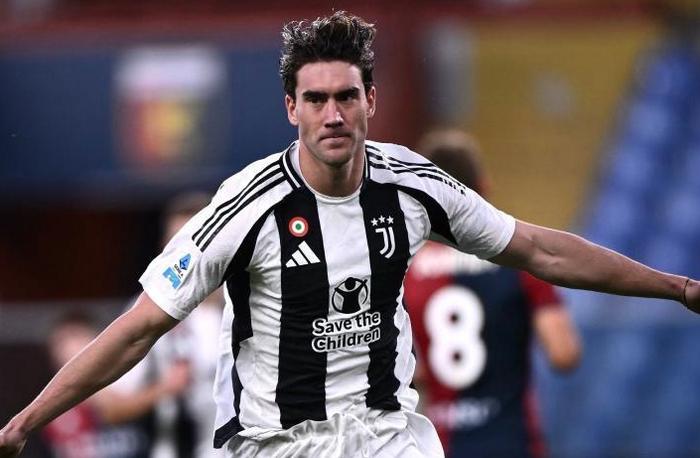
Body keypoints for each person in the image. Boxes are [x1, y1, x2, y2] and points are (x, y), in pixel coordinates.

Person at [1, 10, 698, 458]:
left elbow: (541, 249)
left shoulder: (414, 185)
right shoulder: (245, 205)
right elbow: (138, 328)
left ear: (370, 100)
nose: (332, 114)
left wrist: (675, 287)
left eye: (344, 96)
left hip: (388, 435)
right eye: (315, 99)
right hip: (278, 442)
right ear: (291, 108)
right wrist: (28, 421)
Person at [403, 130, 581, 457]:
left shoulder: (407, 273)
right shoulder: (520, 260)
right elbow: (563, 353)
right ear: (483, 188)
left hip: (442, 445)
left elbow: (412, 372)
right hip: (513, 440)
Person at [110, 192, 226, 458]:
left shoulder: (250, 304)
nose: (188, 255)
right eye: (177, 243)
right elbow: (112, 408)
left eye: (197, 241)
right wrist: (163, 389)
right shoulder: (146, 311)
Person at [41, 311, 189, 458]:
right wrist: (165, 388)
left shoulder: (131, 380)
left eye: (77, 336)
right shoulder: (49, 409)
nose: (71, 348)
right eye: (63, 342)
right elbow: (111, 411)